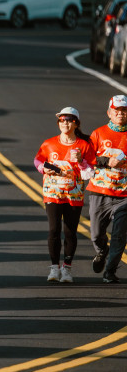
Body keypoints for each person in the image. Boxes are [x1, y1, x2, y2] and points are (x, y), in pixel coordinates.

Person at [34, 107, 95, 283]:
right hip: (53, 193)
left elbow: (90, 173)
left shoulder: (84, 145)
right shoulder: (49, 143)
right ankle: (54, 268)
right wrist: (43, 168)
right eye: (61, 120)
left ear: (76, 123)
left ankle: (66, 268)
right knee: (54, 230)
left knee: (70, 232)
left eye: (69, 120)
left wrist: (81, 161)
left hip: (73, 195)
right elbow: (38, 160)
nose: (65, 123)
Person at [87, 95, 127, 283]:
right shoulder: (99, 133)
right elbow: (87, 159)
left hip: (124, 195)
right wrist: (106, 161)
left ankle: (110, 271)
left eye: (124, 110)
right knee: (96, 234)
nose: (120, 114)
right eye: (117, 110)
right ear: (109, 113)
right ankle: (102, 251)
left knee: (119, 235)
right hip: (100, 192)